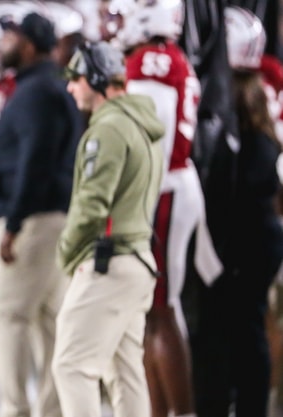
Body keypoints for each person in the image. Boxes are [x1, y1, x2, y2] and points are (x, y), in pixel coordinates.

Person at [108, 1, 222, 415]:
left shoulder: (152, 61)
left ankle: (182, 411)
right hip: (165, 188)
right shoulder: (159, 58)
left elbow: (145, 141)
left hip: (162, 189)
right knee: (151, 309)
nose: (114, 23)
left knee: (161, 307)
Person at [52, 40, 164, 417]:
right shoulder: (139, 125)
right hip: (136, 260)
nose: (70, 87)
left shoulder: (110, 128)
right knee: (124, 370)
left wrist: (66, 251)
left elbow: (91, 206)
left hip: (110, 261)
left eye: (76, 78)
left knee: (72, 366)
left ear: (97, 79)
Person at [0, 11, 81, 417]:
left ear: (28, 44)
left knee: (6, 314)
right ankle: (52, 411)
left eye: (10, 37)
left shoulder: (38, 90)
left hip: (35, 220)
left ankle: (15, 410)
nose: (3, 44)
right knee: (48, 321)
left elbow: (35, 160)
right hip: (50, 217)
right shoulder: (46, 85)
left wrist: (15, 222)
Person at [190, 7, 283, 416]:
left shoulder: (243, 113)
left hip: (248, 238)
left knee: (244, 332)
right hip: (250, 235)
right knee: (233, 331)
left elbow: (252, 183)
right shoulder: (253, 105)